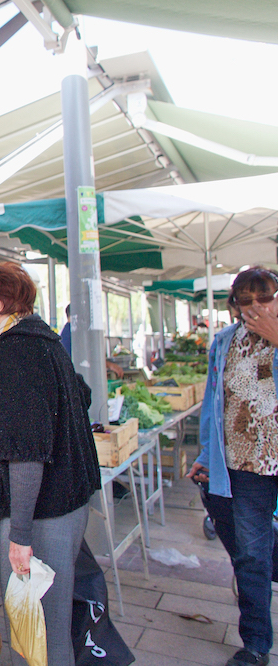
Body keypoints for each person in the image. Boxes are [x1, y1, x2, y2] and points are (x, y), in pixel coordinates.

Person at [0, 262, 100, 666]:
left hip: (42, 512)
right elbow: (80, 396)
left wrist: (20, 534)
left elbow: (26, 452)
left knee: (35, 636)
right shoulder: (44, 339)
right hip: (65, 503)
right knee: (47, 626)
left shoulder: (15, 351)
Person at [189, 266, 278, 666]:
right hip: (245, 469)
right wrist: (207, 456)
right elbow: (213, 406)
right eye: (247, 299)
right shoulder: (224, 343)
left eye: (266, 296)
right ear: (235, 306)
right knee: (250, 556)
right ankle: (256, 643)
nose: (257, 306)